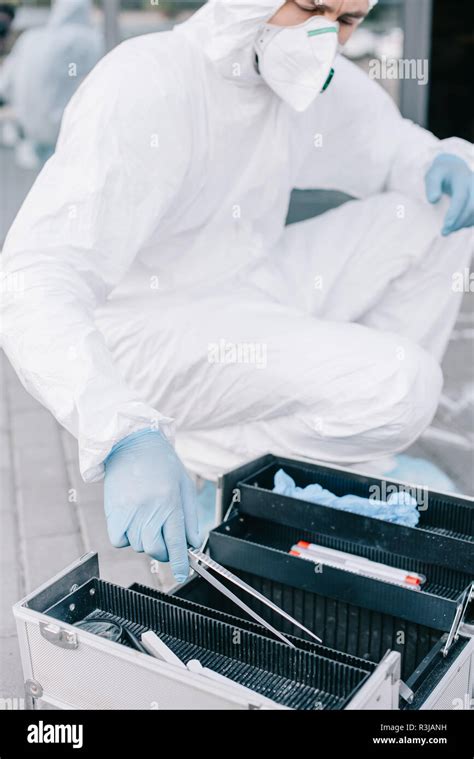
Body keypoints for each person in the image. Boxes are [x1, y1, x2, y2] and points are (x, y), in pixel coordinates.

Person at [1, 0, 473, 582]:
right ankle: (226, 459)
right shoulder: (150, 80)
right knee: (406, 384)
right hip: (153, 335)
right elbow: (38, 272)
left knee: (446, 197)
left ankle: (325, 445)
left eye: (348, 19)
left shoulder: (299, 82)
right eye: (311, 6)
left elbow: (389, 146)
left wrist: (436, 159)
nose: (325, 34)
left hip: (254, 286)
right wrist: (120, 430)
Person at [0, 0, 102, 164]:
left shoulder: (30, 38)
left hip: (26, 147)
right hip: (65, 143)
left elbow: (4, 86)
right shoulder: (88, 40)